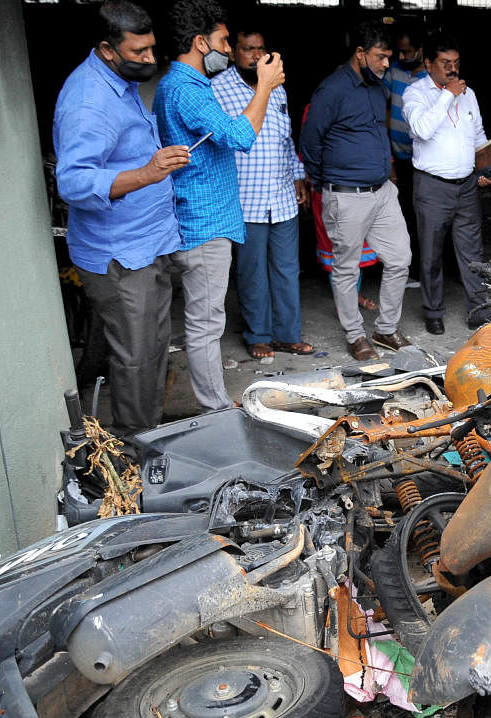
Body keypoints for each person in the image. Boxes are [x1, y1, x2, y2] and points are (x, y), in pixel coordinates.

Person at [53, 0, 187, 435]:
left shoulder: (118, 80)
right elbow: (73, 182)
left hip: (147, 243)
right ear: (108, 49)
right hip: (121, 256)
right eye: (139, 53)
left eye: (152, 49)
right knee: (135, 355)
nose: (150, 59)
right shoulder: (89, 102)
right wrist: (147, 172)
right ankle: (135, 447)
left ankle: (148, 428)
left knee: (151, 348)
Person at [154, 0, 286, 411]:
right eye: (223, 41)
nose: (228, 50)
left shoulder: (183, 87)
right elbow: (239, 135)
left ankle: (214, 402)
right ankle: (215, 408)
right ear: (199, 42)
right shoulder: (185, 89)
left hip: (207, 216)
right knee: (206, 324)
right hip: (203, 221)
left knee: (206, 320)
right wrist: (263, 85)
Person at [300, 21, 413, 361]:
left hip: (382, 193)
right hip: (346, 194)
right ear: (360, 53)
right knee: (346, 267)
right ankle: (354, 334)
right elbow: (309, 143)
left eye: (389, 57)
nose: (386, 64)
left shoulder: (378, 87)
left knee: (399, 258)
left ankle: (386, 328)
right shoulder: (331, 91)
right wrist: (328, 184)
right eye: (380, 57)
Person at [212, 28, 313, 365]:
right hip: (245, 199)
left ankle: (287, 335)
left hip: (281, 195)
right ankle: (258, 336)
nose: (255, 56)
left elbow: (286, 140)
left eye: (260, 49)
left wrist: (298, 176)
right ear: (233, 52)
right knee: (252, 272)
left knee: (286, 269)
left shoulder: (278, 86)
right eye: (247, 49)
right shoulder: (218, 88)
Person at [402, 32, 491, 335]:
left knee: (472, 251)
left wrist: (486, 167)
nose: (453, 69)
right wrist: (448, 94)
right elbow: (422, 130)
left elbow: (478, 134)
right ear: (428, 63)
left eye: (455, 63)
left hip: (466, 184)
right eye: (445, 63)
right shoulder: (415, 94)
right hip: (432, 187)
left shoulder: (469, 94)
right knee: (430, 253)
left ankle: (478, 309)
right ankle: (433, 311)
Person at [387, 27, 428, 286]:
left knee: (422, 215)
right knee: (403, 214)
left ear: (421, 50)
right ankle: (409, 267)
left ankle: (422, 270)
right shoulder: (393, 71)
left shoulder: (430, 77)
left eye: (407, 51)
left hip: (422, 161)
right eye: (399, 51)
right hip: (398, 157)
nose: (402, 56)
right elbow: (382, 106)